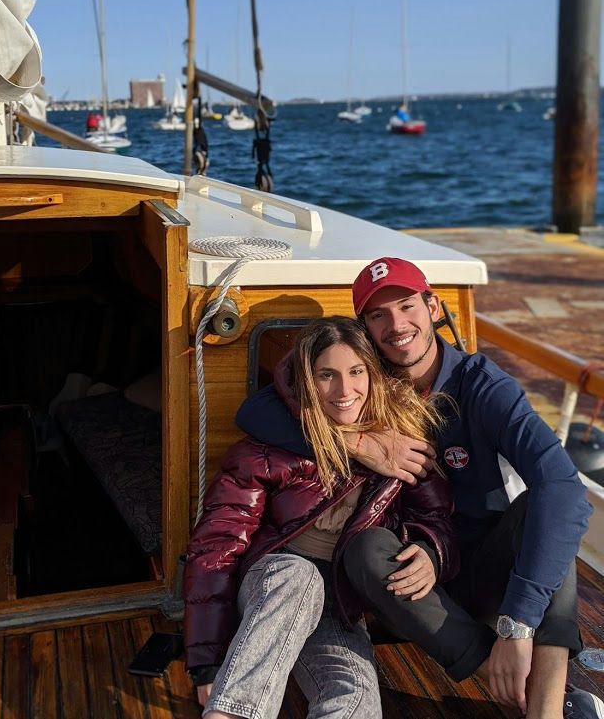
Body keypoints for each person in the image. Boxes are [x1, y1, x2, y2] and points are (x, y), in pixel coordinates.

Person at [236, 257, 599, 719]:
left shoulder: (482, 385)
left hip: (483, 575)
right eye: (378, 315)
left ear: (433, 307)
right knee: (365, 548)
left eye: (407, 306)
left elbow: (563, 485)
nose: (396, 325)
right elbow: (257, 411)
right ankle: (511, 686)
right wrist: (359, 442)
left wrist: (518, 624)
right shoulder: (364, 379)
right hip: (404, 583)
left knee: (547, 511)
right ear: (365, 328)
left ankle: (544, 708)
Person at [184, 316, 458, 719]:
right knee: (299, 578)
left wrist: (430, 551)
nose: (345, 391)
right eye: (327, 375)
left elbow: (436, 518)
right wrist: (207, 662)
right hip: (273, 585)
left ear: (373, 374)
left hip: (338, 599)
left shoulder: (402, 444)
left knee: (354, 697)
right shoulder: (268, 449)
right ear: (307, 382)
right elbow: (217, 548)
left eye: (356, 372)